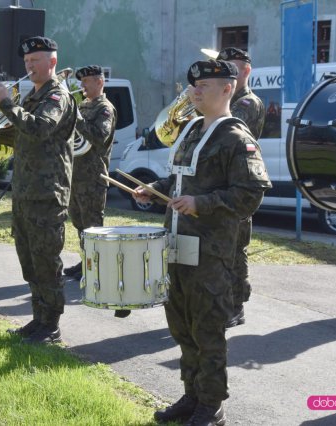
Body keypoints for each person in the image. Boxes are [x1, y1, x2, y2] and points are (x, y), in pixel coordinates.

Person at [134, 60, 271, 425]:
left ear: (227, 88)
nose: (195, 91)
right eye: (193, 85)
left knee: (208, 332)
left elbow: (251, 194)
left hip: (211, 254)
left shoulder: (237, 138)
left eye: (205, 85)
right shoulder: (193, 129)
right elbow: (180, 180)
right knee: (181, 327)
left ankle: (212, 406)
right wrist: (155, 189)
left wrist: (202, 204)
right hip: (177, 247)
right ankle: (192, 396)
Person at [0, 36, 76, 344]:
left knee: (46, 261)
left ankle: (51, 324)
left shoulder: (57, 96)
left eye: (35, 61)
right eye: (26, 62)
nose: (29, 66)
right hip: (25, 191)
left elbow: (39, 128)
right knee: (29, 260)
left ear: (52, 62)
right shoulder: (31, 96)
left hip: (47, 193)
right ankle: (38, 318)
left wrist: (5, 103)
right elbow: (22, 136)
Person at [216, 47, 266, 328]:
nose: (227, 74)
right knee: (221, 248)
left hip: (238, 183)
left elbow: (225, 132)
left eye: (232, 68)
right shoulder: (225, 100)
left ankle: (236, 306)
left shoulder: (247, 103)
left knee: (236, 249)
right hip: (219, 183)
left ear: (246, 71)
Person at [63, 65, 116, 281]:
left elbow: (99, 135)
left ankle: (97, 268)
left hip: (94, 176)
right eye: (82, 81)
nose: (82, 85)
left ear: (100, 82)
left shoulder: (105, 108)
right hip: (76, 173)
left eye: (87, 81)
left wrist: (75, 117)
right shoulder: (84, 105)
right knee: (79, 222)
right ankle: (87, 262)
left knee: (93, 225)